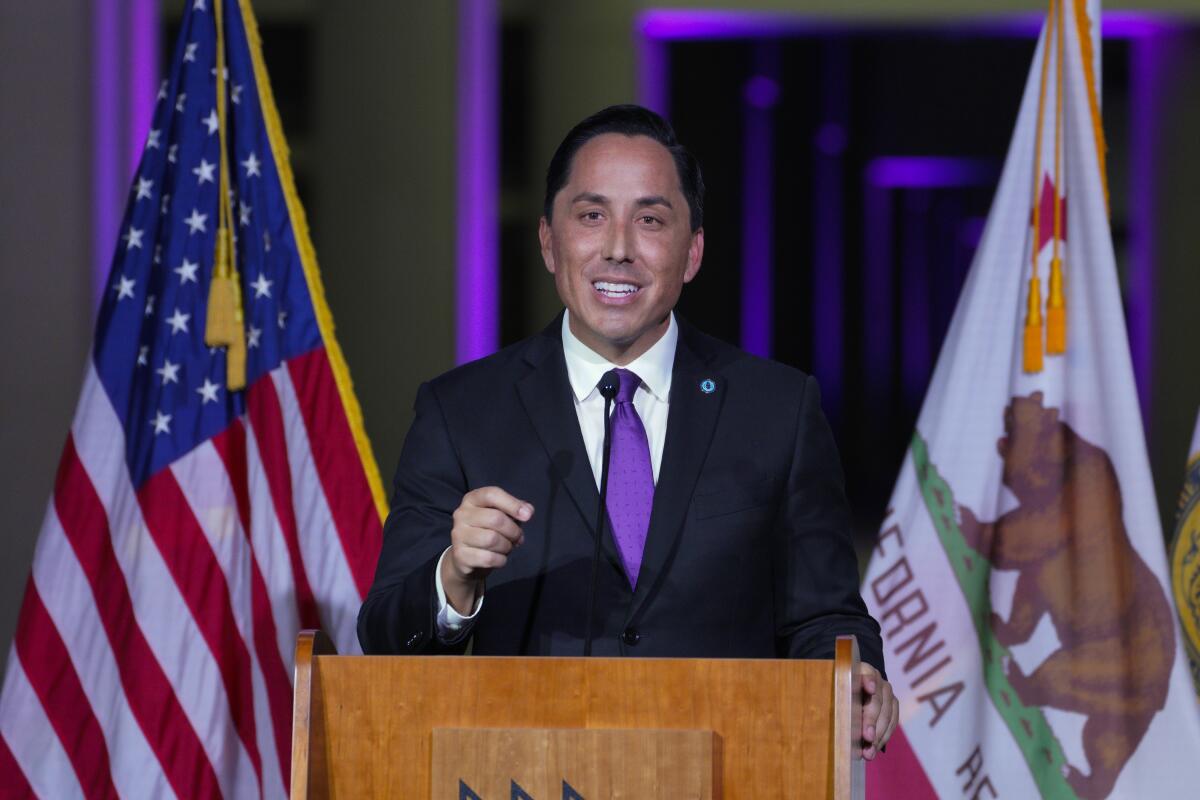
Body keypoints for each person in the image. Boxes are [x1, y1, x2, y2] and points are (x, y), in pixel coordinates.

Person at [358, 104, 897, 758]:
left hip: (731, 769)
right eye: (591, 216)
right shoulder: (461, 411)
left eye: (649, 220)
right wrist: (454, 578)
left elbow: (825, 616)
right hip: (529, 770)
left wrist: (856, 672)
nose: (618, 247)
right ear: (549, 242)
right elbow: (384, 636)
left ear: (692, 251)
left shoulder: (777, 408)